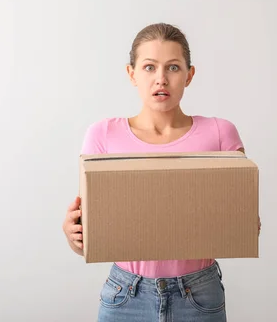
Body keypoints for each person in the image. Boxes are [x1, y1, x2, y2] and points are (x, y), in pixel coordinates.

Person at [62, 22, 261, 321]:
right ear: (131, 74)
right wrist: (74, 236)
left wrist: (244, 224)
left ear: (189, 75)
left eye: (173, 68)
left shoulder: (220, 133)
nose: (161, 79)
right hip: (125, 294)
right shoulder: (102, 134)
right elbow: (95, 235)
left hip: (198, 295)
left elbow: (240, 222)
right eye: (149, 67)